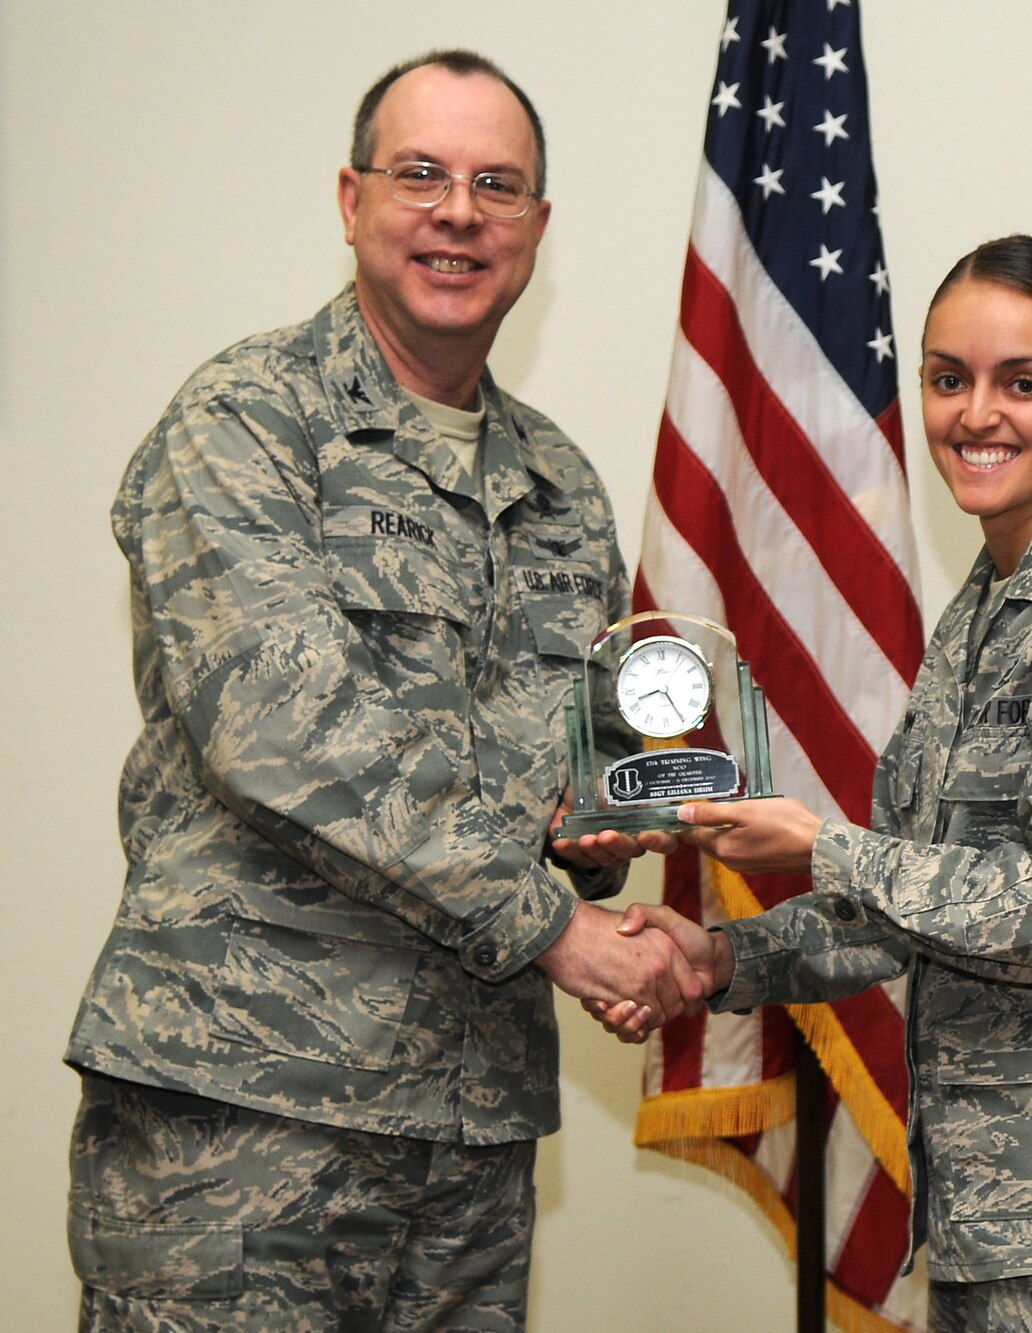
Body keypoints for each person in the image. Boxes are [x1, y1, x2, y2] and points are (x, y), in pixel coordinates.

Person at [64, 50, 696, 1329]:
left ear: (536, 229)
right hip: (243, 1115)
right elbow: (290, 735)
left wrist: (608, 837)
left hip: (468, 1135)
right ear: (350, 199)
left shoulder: (561, 487)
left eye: (495, 185)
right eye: (420, 175)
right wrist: (556, 932)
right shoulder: (245, 422)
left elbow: (574, 785)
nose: (457, 211)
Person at [593, 235, 1032, 1330]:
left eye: (1022, 383)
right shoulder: (982, 615)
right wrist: (715, 959)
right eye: (948, 380)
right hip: (990, 1224)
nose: (976, 414)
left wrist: (824, 843)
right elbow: (912, 913)